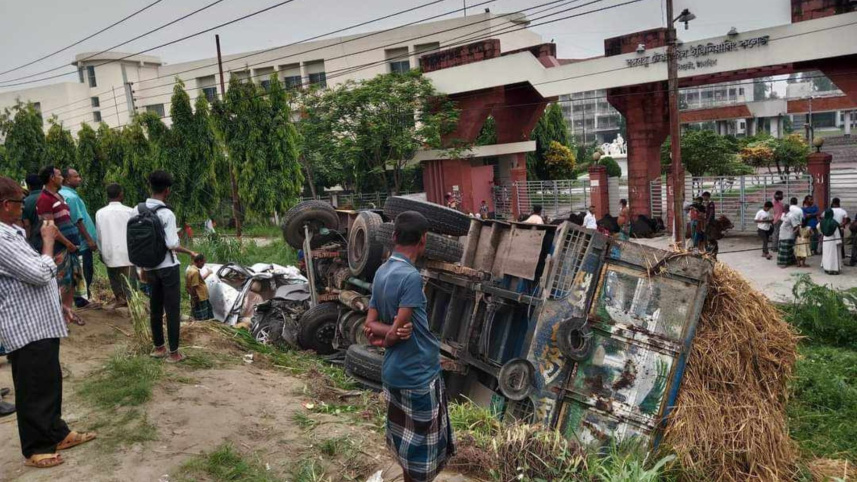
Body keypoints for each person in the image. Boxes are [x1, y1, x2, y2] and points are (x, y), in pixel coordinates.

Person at [0, 176, 96, 468]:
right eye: (19, 201)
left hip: (40, 321)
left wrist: (58, 305)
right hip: (25, 325)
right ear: (6, 205)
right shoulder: (1, 239)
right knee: (33, 388)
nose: (23, 206)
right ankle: (36, 448)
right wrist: (48, 242)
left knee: (49, 382)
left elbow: (38, 274)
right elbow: (41, 272)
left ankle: (57, 432)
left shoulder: (11, 233)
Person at [363, 211, 454, 482]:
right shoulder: (411, 277)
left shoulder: (382, 271)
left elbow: (370, 324)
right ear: (423, 240)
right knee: (422, 461)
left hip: (394, 373)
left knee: (406, 450)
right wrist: (389, 336)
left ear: (393, 237)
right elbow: (395, 332)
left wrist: (381, 335)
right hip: (418, 375)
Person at [134, 171, 199, 363]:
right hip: (167, 267)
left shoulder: (136, 210)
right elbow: (171, 244)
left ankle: (158, 348)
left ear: (150, 187)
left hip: (148, 267)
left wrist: (141, 266)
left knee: (154, 306)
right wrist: (189, 251)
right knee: (172, 309)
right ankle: (174, 353)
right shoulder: (166, 213)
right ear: (167, 191)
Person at [36, 166, 84, 326]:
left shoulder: (58, 197)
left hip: (70, 247)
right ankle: (56, 319)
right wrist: (67, 243)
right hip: (59, 248)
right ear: (51, 178)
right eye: (58, 175)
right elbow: (50, 228)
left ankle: (67, 314)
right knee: (60, 282)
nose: (62, 178)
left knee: (71, 281)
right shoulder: (44, 199)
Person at [60, 168, 99, 307]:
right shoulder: (71, 197)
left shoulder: (61, 194)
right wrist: (89, 239)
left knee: (77, 270)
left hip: (71, 241)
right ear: (66, 179)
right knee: (84, 271)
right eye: (76, 177)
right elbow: (77, 220)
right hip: (81, 242)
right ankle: (82, 300)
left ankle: (80, 298)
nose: (79, 179)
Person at [95, 183, 136, 309]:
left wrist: (101, 251)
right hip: (127, 251)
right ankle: (133, 302)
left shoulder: (100, 213)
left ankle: (120, 299)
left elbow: (99, 234)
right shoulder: (130, 211)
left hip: (109, 251)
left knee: (114, 277)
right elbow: (134, 232)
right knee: (129, 280)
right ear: (120, 194)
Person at [186, 254, 213, 321]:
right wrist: (195, 297)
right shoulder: (195, 272)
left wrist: (208, 273)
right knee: (202, 317)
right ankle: (200, 328)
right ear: (199, 261)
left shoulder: (190, 269)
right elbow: (194, 286)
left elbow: (197, 281)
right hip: (200, 297)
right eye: (203, 263)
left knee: (196, 314)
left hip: (198, 296)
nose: (203, 265)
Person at [777, 197, 802, 268]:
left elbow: (796, 226)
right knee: (785, 250)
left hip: (788, 236)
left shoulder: (792, 216)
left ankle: (784, 263)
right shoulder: (783, 214)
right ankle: (791, 261)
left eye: (783, 208)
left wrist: (793, 233)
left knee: (786, 250)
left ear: (786, 209)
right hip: (782, 235)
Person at [22, 174, 44, 252]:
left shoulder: (25, 202)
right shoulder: (52, 197)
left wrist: (27, 242)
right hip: (54, 238)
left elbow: (27, 225)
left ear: (29, 186)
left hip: (36, 240)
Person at [820, 208, 842, 275]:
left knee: (826, 254)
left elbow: (818, 227)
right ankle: (833, 269)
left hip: (825, 240)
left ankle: (826, 268)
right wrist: (839, 241)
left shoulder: (822, 222)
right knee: (833, 255)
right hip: (833, 240)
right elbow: (837, 233)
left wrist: (822, 234)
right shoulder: (834, 223)